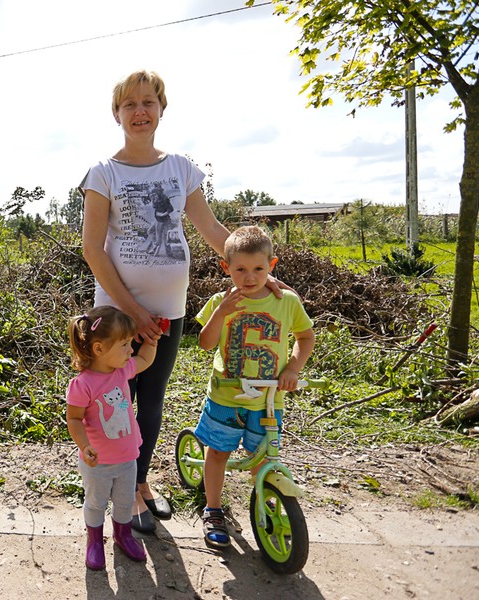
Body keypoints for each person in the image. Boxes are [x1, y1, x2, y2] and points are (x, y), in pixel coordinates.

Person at [80, 69, 286, 533]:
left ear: (161, 110)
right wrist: (135, 313)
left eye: (148, 102)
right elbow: (93, 249)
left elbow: (214, 233)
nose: (139, 111)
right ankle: (107, 489)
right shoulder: (102, 174)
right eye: (129, 103)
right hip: (116, 316)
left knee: (150, 402)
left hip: (168, 313)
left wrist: (257, 270)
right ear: (116, 113)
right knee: (114, 402)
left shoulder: (180, 170)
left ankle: (136, 485)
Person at [194, 225, 315, 548]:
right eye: (241, 270)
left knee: (262, 457)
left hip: (268, 400)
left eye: (259, 269)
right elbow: (205, 344)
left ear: (272, 266)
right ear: (226, 268)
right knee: (218, 452)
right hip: (227, 395)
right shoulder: (221, 300)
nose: (249, 277)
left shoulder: (286, 301)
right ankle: (214, 508)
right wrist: (221, 312)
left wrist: (293, 367)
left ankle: (268, 503)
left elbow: (305, 336)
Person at [66, 305, 157, 570]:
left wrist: (151, 340)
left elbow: (145, 361)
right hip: (98, 462)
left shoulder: (121, 370)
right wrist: (85, 446)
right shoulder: (83, 384)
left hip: (128, 458)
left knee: (125, 501)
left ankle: (123, 535)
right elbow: (74, 419)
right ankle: (94, 540)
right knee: (96, 503)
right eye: (126, 344)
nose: (131, 350)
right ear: (99, 349)